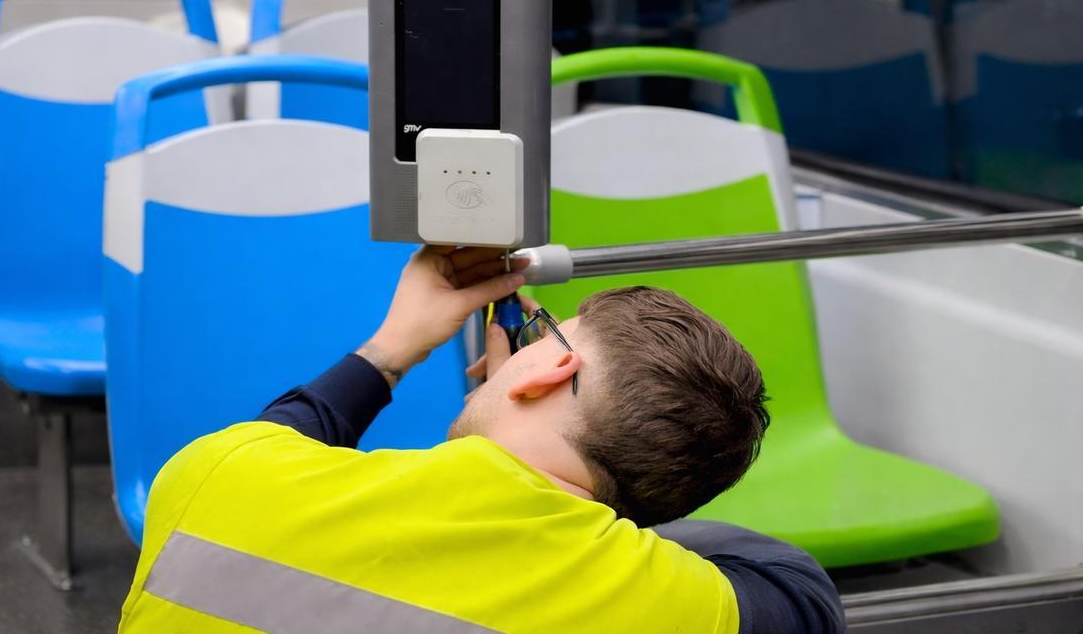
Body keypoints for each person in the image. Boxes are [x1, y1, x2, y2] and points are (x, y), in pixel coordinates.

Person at [118, 246, 845, 633]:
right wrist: (624, 521)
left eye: (540, 332)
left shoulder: (219, 479)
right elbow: (798, 587)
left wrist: (391, 349)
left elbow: (287, 432)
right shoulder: (670, 605)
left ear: (550, 368)